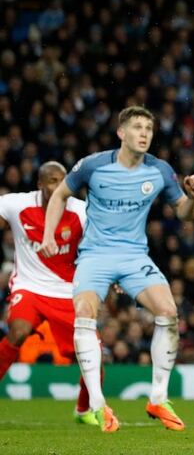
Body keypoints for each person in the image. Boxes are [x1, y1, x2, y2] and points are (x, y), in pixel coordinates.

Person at [42, 106, 194, 433]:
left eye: (149, 128)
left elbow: (185, 215)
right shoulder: (93, 165)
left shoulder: (159, 171)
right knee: (85, 312)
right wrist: (49, 235)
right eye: (137, 127)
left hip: (133, 256)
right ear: (121, 133)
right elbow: (60, 194)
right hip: (96, 255)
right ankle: (99, 405)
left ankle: (158, 397)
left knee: (168, 311)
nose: (144, 133)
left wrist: (193, 197)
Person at [0, 162, 95, 425]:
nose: (59, 186)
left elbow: (100, 245)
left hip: (67, 292)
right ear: (40, 184)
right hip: (28, 287)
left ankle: (84, 408)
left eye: (63, 180)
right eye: (53, 181)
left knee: (92, 351)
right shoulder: (17, 204)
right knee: (18, 332)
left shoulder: (81, 211)